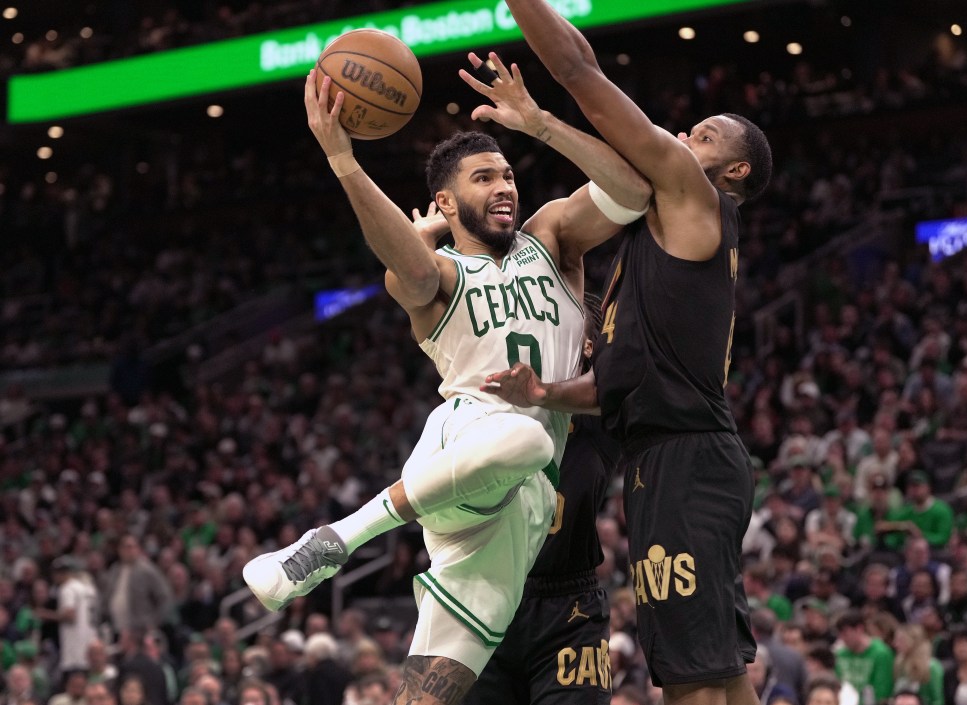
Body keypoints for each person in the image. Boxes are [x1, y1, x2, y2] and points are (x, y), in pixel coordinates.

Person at [244, 55, 651, 705]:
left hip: (520, 508)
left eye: (508, 174)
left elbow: (633, 189)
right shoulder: (440, 279)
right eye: (484, 177)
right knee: (530, 439)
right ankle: (333, 540)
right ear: (443, 200)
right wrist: (345, 160)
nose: (504, 187)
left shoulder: (551, 238)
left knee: (426, 695)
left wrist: (541, 124)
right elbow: (406, 265)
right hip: (463, 443)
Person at [482, 3, 773, 703]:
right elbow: (615, 381)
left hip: (684, 458)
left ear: (730, 168)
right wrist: (544, 393)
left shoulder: (695, 195)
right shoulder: (658, 239)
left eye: (700, 134)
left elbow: (578, 66)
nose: (679, 135)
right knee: (716, 669)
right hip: (671, 456)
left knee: (691, 678)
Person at [463, 294, 620, 705]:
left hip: (569, 603)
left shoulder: (600, 415)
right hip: (487, 594)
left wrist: (543, 390)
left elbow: (628, 379)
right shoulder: (487, 403)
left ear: (587, 344)